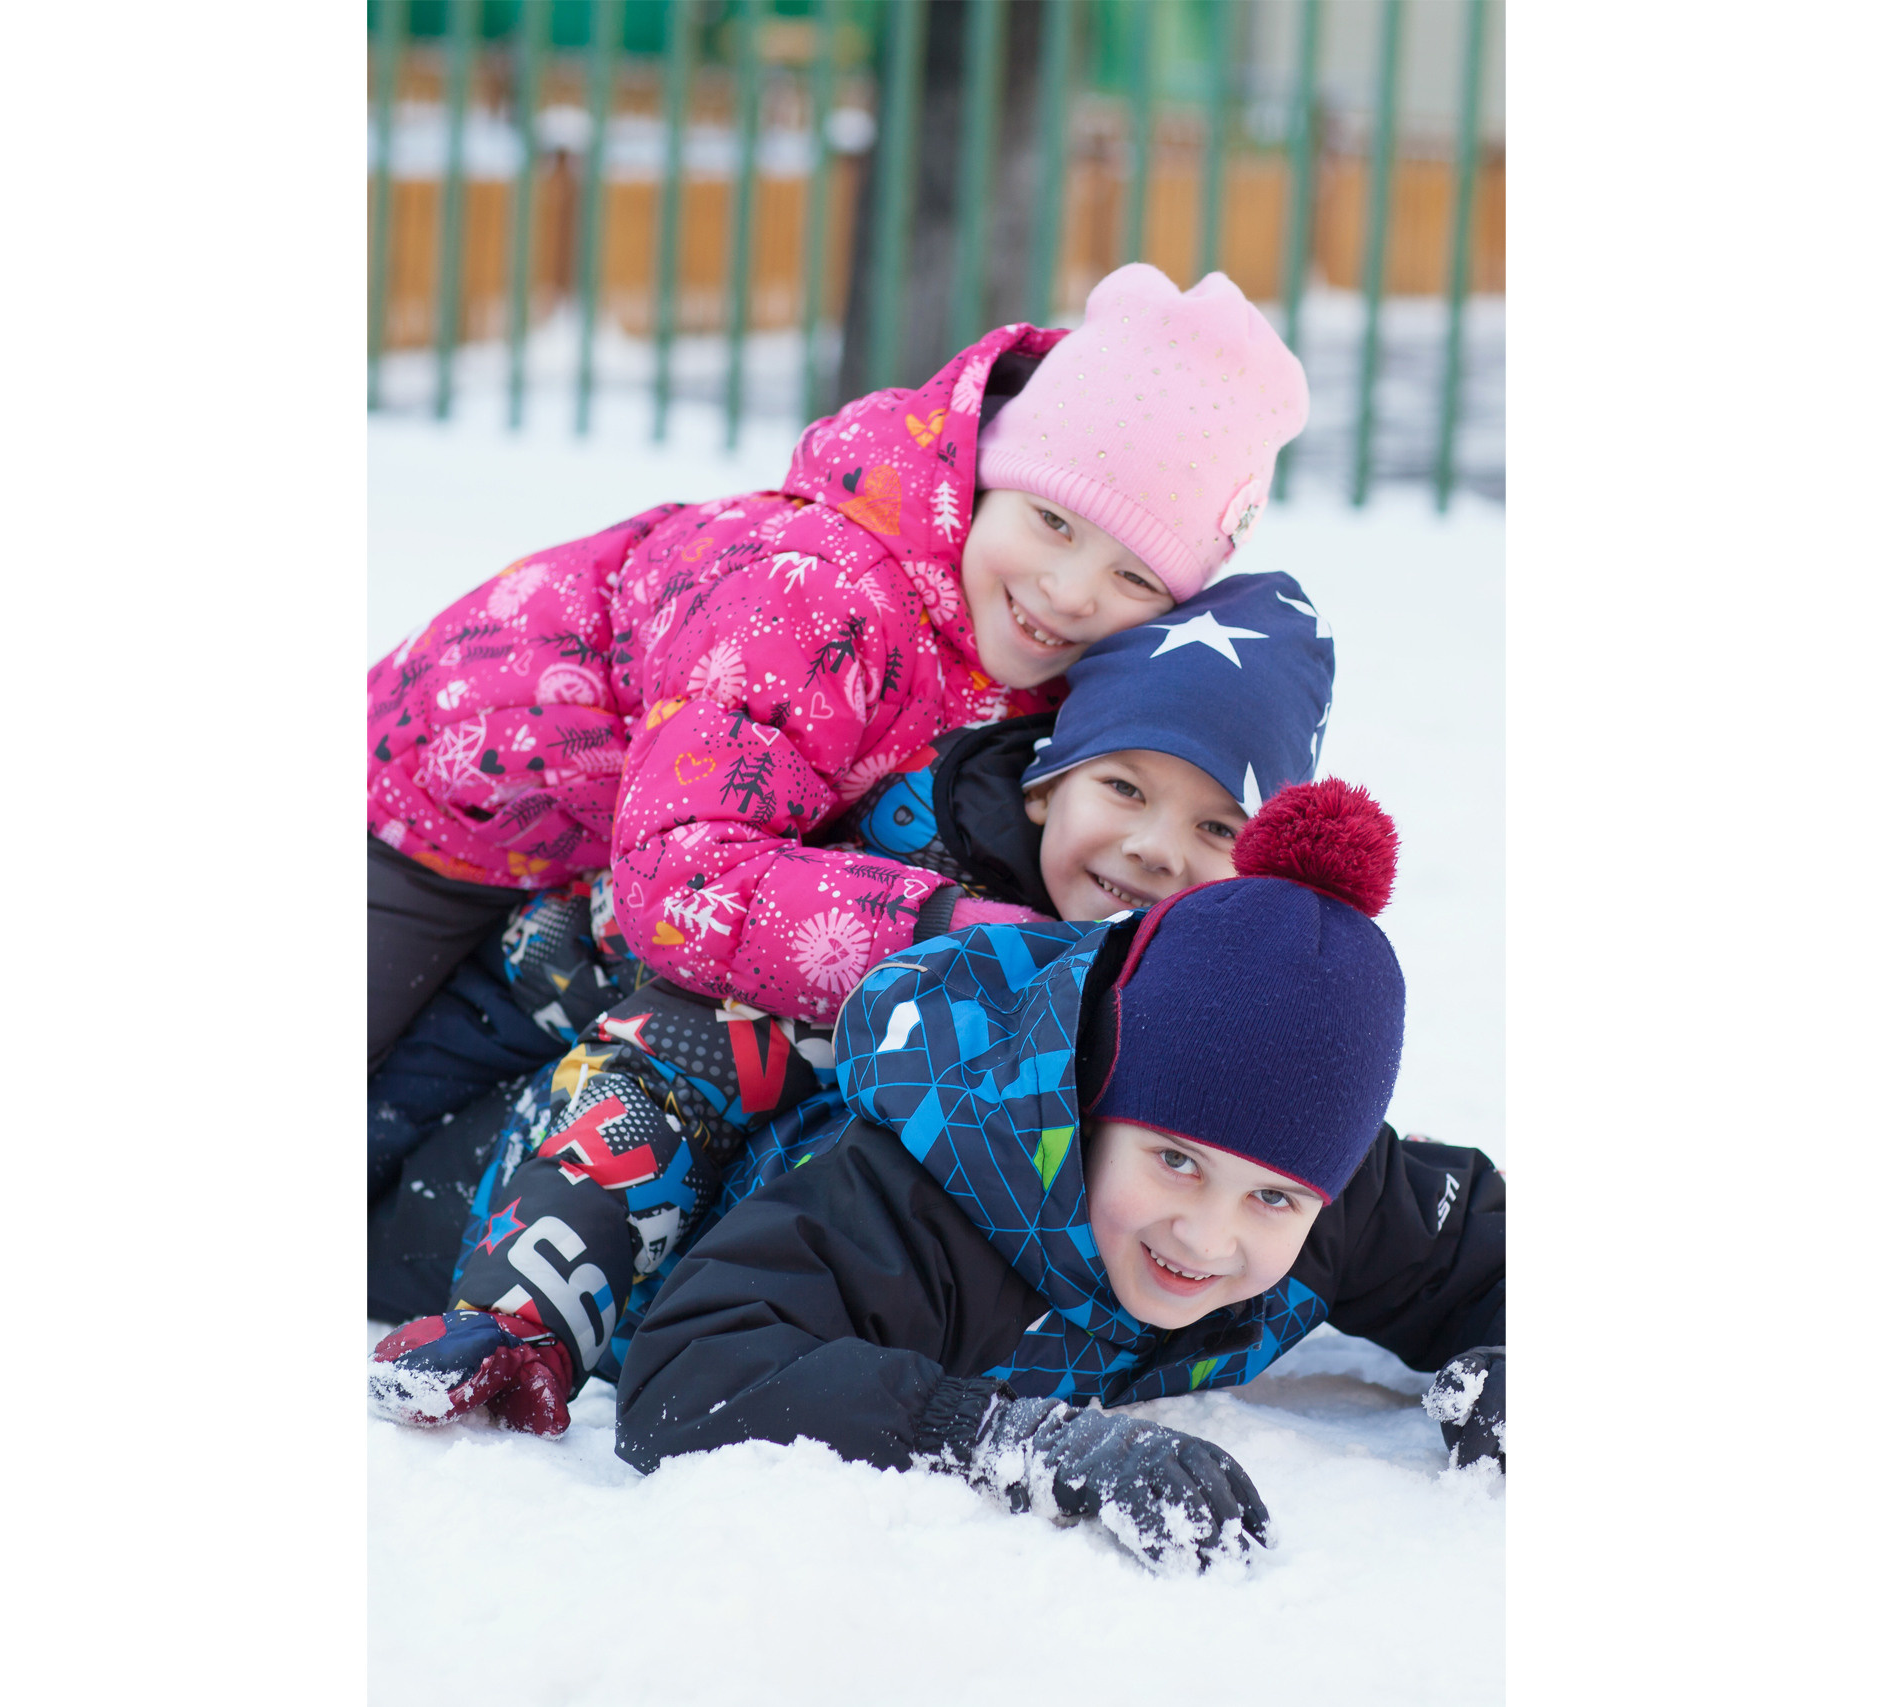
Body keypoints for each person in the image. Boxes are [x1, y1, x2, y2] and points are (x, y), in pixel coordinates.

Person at [371, 781, 1507, 1574]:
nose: (1209, 1238)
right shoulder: (929, 1194)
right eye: (1171, 1161)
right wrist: (1015, 1441)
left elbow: (1488, 1252)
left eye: (1273, 1199)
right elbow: (695, 1375)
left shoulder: (1330, 1188)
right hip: (519, 1189)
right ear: (1090, 1101)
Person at [369, 263, 1311, 1072]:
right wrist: (942, 930)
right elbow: (682, 876)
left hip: (591, 851)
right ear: (981, 478)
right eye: (1051, 522)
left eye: (1134, 574)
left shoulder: (1037, 640)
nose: (1070, 592)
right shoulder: (813, 598)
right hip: (432, 808)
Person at [364, 569, 1339, 1330]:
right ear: (1046, 785)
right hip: (580, 1009)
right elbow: (692, 1044)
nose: (1155, 849)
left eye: (1218, 829)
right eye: (1124, 789)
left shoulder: (1192, 968)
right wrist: (535, 1303)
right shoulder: (919, 865)